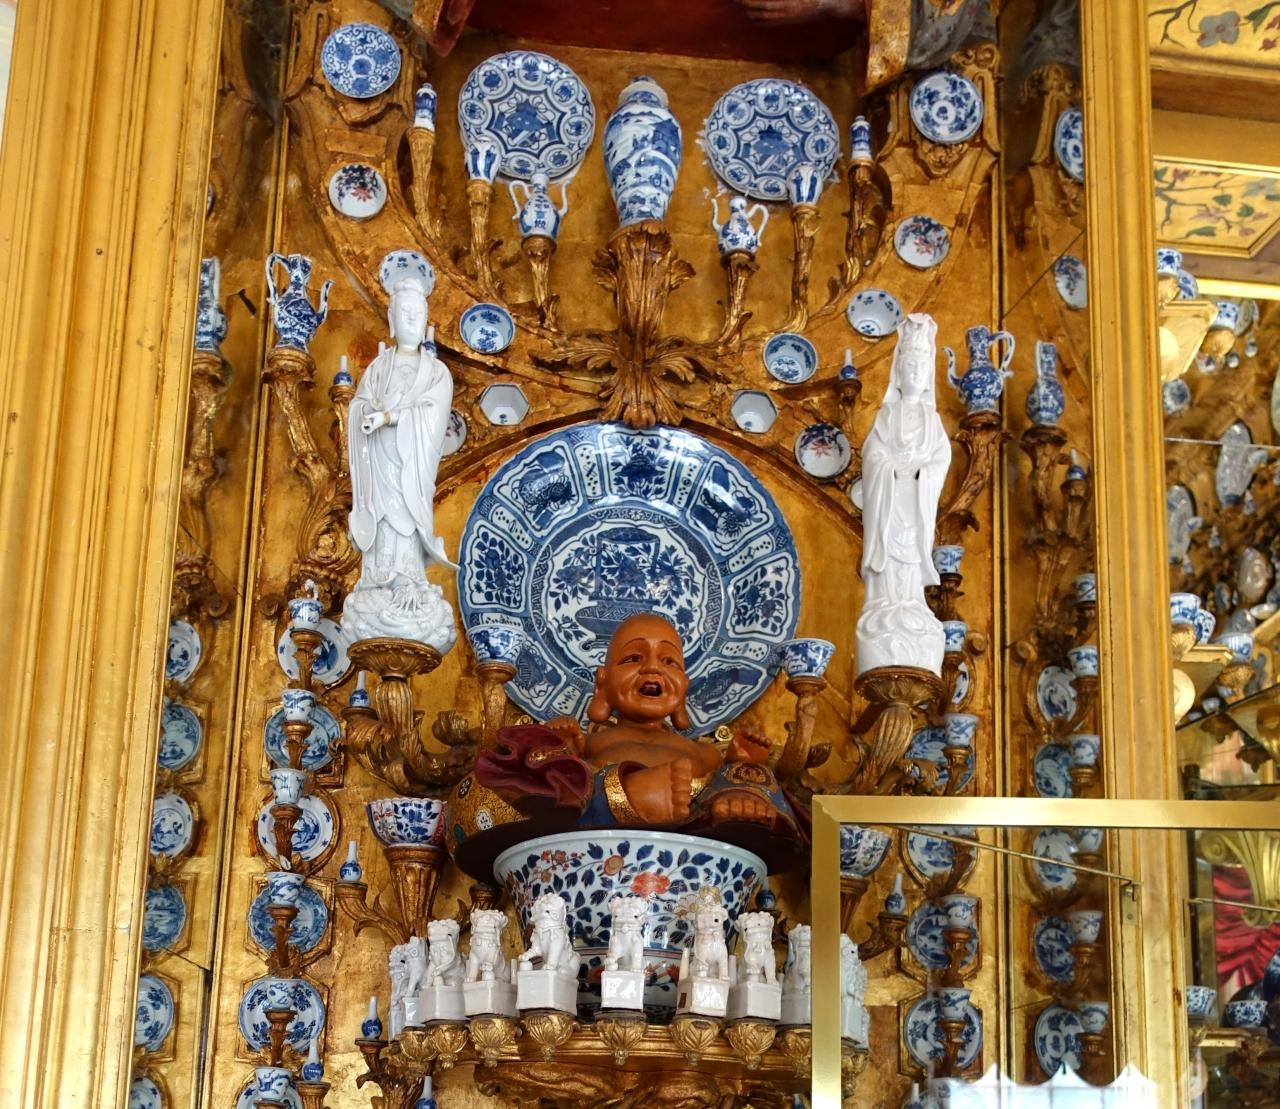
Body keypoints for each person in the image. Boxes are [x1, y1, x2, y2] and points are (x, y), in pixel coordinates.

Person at [448, 613, 806, 873]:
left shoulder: (701, 750)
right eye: (633, 658)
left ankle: (727, 805)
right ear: (602, 684)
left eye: (668, 660)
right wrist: (559, 747)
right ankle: (633, 797)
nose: (652, 669)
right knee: (547, 773)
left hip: (693, 832)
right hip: (599, 843)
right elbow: (549, 775)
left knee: (754, 778)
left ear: (683, 687)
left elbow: (728, 775)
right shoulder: (595, 742)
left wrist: (740, 763)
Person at [343, 273, 457, 650]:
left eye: (417, 314)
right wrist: (366, 416)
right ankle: (377, 582)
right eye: (404, 313)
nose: (410, 320)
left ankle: (408, 579)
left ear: (426, 321)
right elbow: (360, 404)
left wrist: (390, 417)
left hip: (411, 464)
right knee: (382, 520)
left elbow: (433, 415)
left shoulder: (436, 372)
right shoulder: (378, 367)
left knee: (405, 516)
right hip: (379, 461)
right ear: (391, 320)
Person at [856, 312, 951, 676]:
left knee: (910, 558)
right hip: (891, 497)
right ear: (899, 370)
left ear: (926, 375)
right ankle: (885, 602)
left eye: (920, 367)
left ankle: (910, 602)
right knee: (888, 558)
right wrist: (890, 470)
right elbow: (873, 453)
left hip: (915, 500)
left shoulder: (931, 419)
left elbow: (941, 457)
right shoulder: (888, 415)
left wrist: (922, 474)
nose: (914, 373)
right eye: (909, 366)